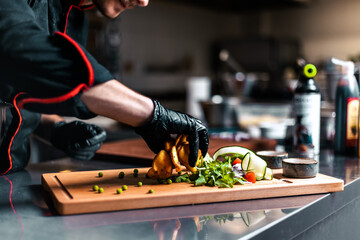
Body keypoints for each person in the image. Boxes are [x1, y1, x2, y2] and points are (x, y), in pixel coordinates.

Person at [0, 0, 209, 174]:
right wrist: (151, 115)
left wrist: (54, 128)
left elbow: (19, 94)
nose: (144, 2)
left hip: (13, 179)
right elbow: (15, 47)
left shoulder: (76, 20)